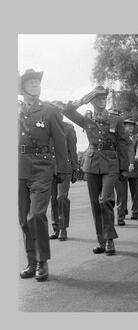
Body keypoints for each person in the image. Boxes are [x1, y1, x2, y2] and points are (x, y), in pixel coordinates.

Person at [63, 86, 129, 255]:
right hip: (92, 163)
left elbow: (123, 143)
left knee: (105, 199)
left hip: (111, 163)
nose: (102, 100)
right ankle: (102, 241)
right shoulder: (87, 119)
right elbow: (67, 111)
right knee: (95, 203)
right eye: (98, 98)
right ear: (91, 100)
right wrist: (82, 99)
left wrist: (123, 168)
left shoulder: (116, 119)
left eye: (103, 98)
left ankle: (109, 239)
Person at [18, 69, 68, 281]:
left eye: (38, 81)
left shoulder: (49, 111)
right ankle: (31, 261)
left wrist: (63, 168)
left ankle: (42, 261)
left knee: (36, 215)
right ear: (22, 87)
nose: (36, 84)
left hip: (42, 167)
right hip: (18, 167)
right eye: (31, 81)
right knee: (23, 218)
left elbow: (60, 141)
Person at [49, 100, 80, 241]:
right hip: (49, 167)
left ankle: (63, 228)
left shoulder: (68, 128)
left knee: (61, 197)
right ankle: (55, 228)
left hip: (65, 167)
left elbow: (73, 150)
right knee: (52, 199)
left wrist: (75, 168)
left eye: (61, 110)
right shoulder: (46, 127)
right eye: (56, 110)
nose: (59, 113)